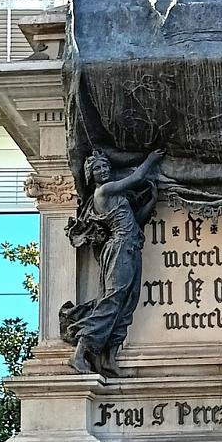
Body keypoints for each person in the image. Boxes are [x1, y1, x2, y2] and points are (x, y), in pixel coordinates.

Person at [60, 150, 162, 378]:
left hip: (131, 247)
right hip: (119, 249)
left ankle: (108, 358)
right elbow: (136, 178)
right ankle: (79, 353)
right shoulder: (103, 191)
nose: (103, 170)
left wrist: (152, 201)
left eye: (105, 166)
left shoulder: (115, 195)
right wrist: (151, 159)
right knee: (112, 300)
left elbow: (136, 221)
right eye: (97, 168)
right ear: (90, 175)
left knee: (127, 303)